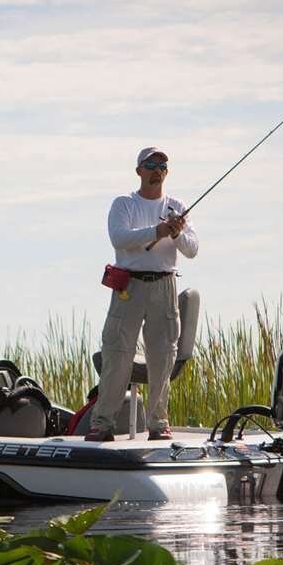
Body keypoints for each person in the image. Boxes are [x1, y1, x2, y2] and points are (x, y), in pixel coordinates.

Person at [85, 146, 199, 442]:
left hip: (165, 286)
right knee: (117, 354)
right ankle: (103, 423)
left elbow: (192, 249)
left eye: (162, 165)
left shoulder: (177, 205)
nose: (157, 169)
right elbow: (119, 237)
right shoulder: (124, 204)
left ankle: (158, 424)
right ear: (139, 170)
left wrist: (174, 232)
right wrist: (156, 231)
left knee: (163, 356)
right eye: (150, 164)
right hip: (129, 286)